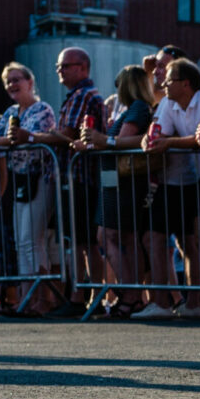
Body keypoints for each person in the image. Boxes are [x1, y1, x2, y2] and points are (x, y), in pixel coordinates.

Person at [145, 57, 200, 318]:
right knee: (156, 236)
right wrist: (151, 141)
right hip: (175, 178)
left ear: (185, 83)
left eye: (169, 79)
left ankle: (197, 301)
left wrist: (168, 143)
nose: (164, 83)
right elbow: (159, 133)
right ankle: (160, 302)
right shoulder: (169, 102)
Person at [0, 61, 61, 316]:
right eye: (8, 81)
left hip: (40, 179)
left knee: (33, 241)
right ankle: (26, 299)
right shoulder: (10, 112)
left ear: (30, 82)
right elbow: (2, 140)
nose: (12, 85)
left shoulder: (42, 109)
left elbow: (22, 139)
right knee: (23, 242)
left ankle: (41, 300)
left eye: (16, 80)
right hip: (17, 181)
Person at [74, 64, 155, 319]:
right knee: (121, 238)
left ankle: (129, 296)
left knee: (111, 237)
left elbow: (123, 142)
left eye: (119, 84)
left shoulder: (138, 108)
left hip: (124, 182)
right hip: (115, 181)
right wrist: (92, 145)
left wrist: (101, 139)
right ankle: (132, 296)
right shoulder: (132, 109)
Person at [31, 46, 105, 315]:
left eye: (65, 66)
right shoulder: (78, 94)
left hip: (81, 176)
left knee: (84, 241)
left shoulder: (83, 95)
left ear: (82, 67)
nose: (60, 71)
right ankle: (84, 295)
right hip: (75, 176)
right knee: (79, 241)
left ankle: (85, 297)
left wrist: (35, 136)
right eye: (58, 66)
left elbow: (68, 133)